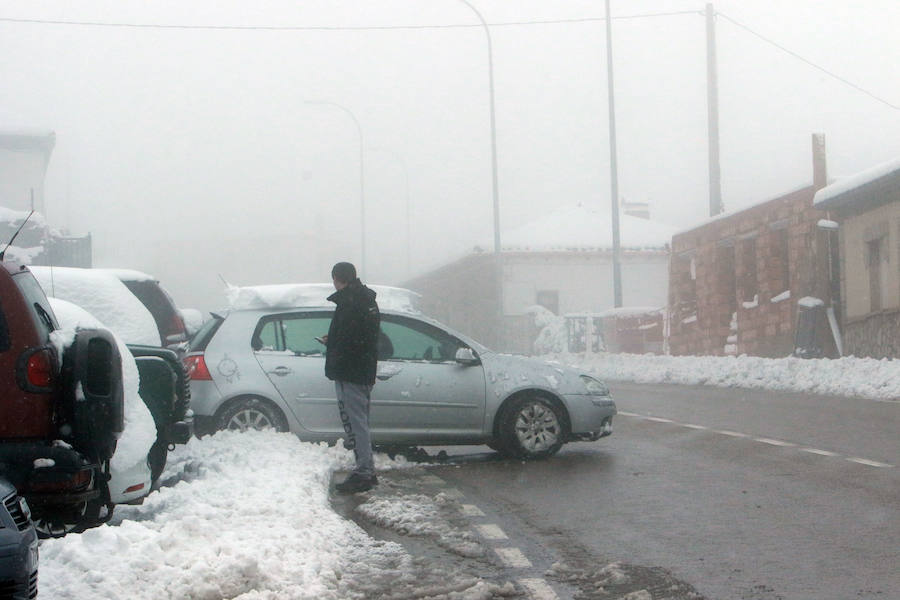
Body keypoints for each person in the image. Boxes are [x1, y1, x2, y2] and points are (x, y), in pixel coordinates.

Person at [323, 262, 381, 494]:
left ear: (337, 278)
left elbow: (350, 341)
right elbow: (364, 337)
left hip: (351, 372)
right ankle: (366, 469)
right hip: (363, 369)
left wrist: (333, 343)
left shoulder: (350, 302)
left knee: (356, 424)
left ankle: (364, 473)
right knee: (361, 423)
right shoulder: (367, 300)